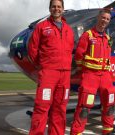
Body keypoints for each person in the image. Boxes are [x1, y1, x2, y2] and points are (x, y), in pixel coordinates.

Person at [27, 0, 74, 134]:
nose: (56, 9)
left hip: (65, 75)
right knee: (42, 107)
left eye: (59, 7)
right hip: (48, 73)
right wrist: (43, 65)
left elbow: (70, 49)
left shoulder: (68, 30)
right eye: (54, 6)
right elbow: (33, 50)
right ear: (50, 9)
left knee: (60, 108)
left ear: (63, 9)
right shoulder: (41, 27)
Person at [70, 9, 115, 135]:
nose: (104, 21)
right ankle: (77, 132)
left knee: (109, 103)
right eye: (103, 18)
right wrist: (83, 69)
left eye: (107, 19)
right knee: (84, 105)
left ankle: (108, 130)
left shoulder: (107, 38)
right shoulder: (88, 35)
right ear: (98, 18)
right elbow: (79, 55)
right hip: (90, 74)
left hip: (105, 75)